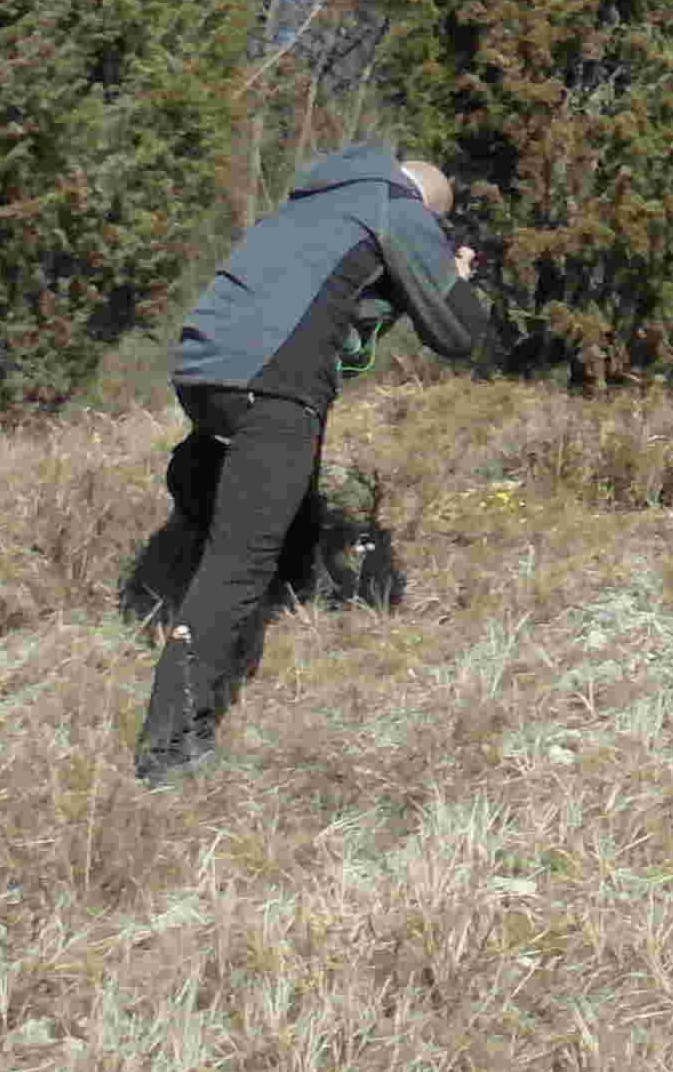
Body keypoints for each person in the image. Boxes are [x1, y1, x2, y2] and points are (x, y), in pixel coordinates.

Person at [137, 147, 497, 782]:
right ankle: (169, 750)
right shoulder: (396, 206)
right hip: (274, 384)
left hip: (203, 374)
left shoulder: (309, 204)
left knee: (274, 488)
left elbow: (336, 308)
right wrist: (457, 278)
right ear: (427, 209)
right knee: (238, 561)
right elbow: (457, 333)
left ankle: (271, 565)